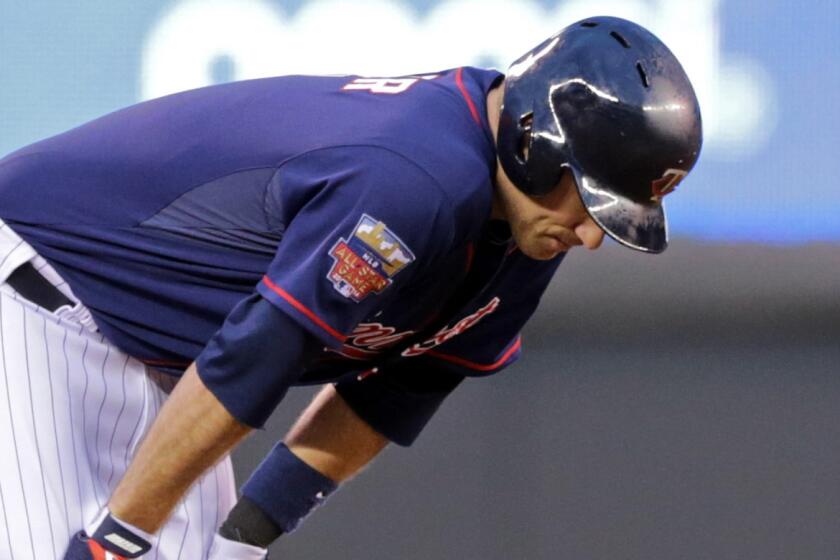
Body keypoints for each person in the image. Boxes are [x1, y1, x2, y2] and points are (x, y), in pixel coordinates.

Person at [0, 15, 701, 560]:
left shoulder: (527, 222)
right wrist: (119, 536)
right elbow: (255, 355)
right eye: (592, 200)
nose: (592, 235)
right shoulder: (416, 180)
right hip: (38, 293)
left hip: (154, 357)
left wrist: (245, 533)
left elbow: (397, 395)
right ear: (533, 139)